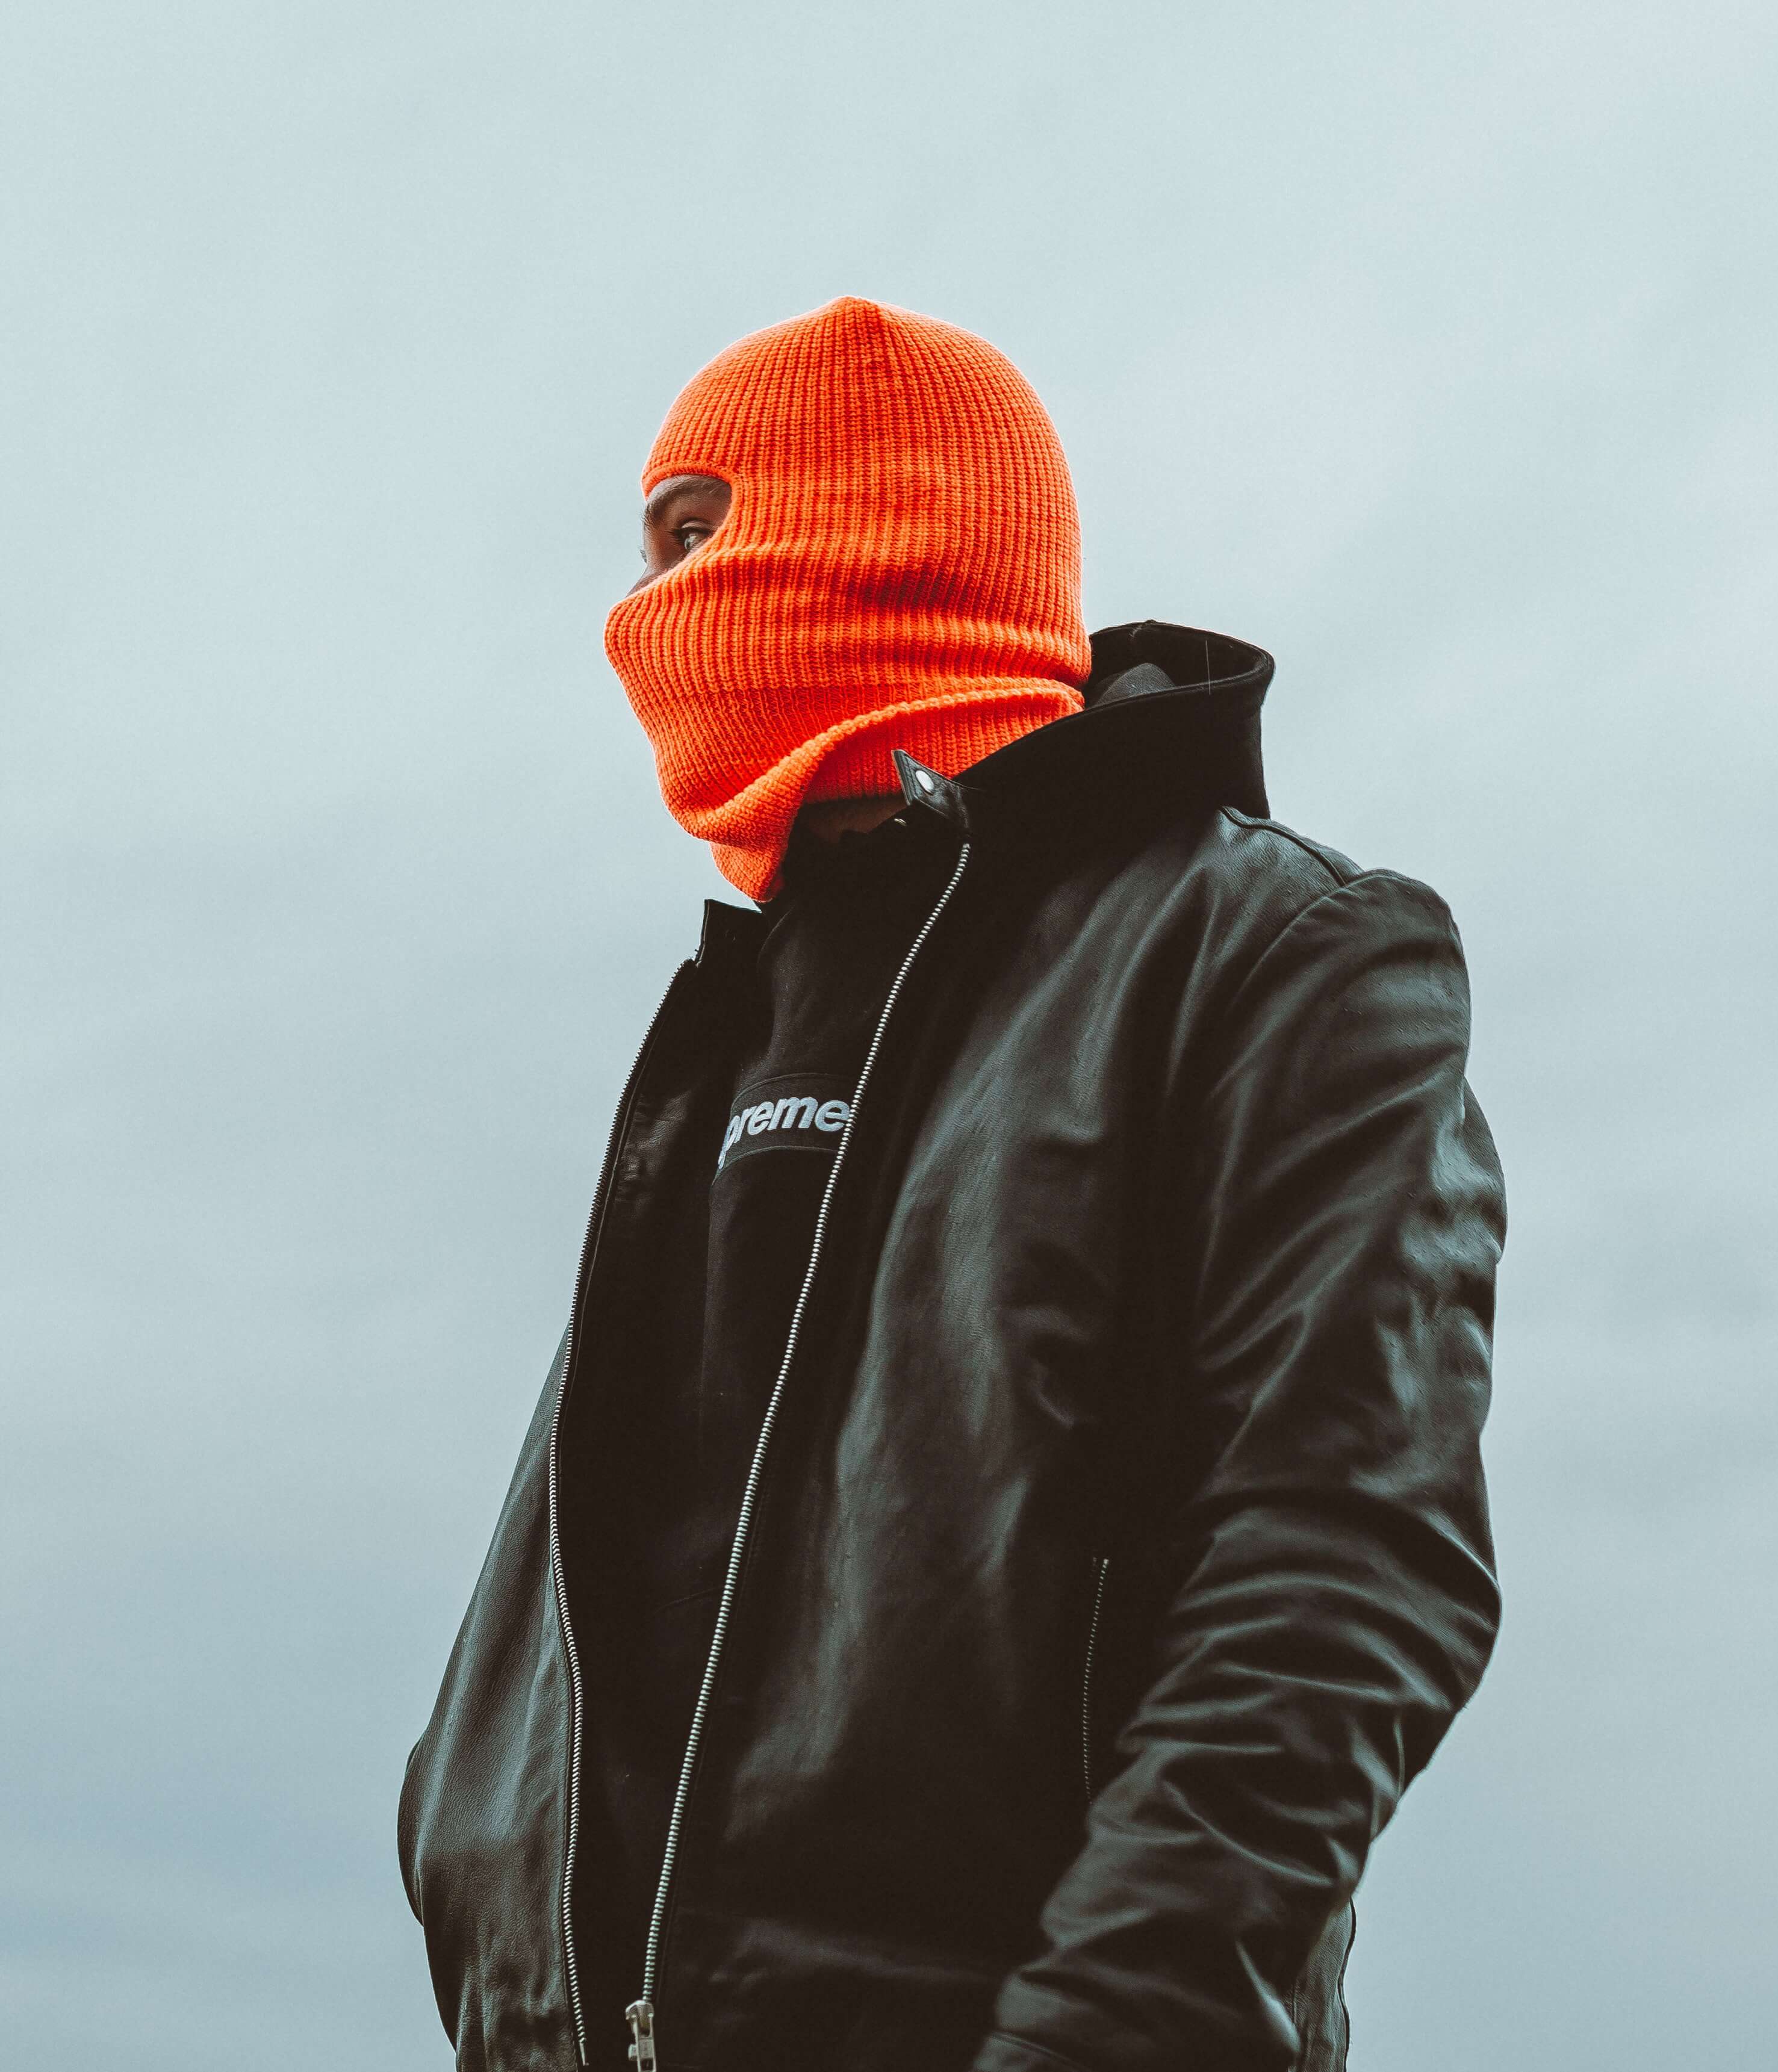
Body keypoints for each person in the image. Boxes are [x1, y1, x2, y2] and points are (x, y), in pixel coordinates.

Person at [399, 297, 1506, 2072]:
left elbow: (1344, 1574)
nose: (647, 618)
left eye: (695, 537)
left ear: (887, 526)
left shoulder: (1274, 951)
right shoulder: (725, 1029)